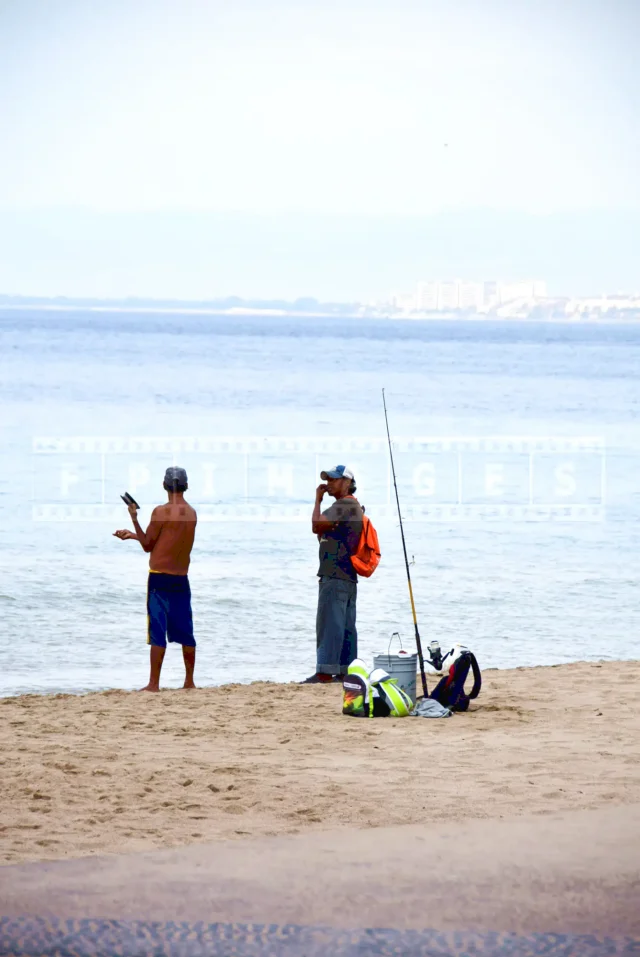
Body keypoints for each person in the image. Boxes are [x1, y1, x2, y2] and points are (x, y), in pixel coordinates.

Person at [113, 466, 198, 692]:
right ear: (186, 486)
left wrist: (134, 519)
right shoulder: (191, 513)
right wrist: (133, 536)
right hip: (181, 579)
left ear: (164, 486)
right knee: (186, 629)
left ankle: (154, 684)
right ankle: (189, 682)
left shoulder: (160, 512)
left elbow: (148, 545)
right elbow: (168, 541)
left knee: (157, 630)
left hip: (159, 579)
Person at [303, 465, 363, 684]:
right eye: (327, 480)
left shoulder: (344, 504)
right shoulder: (353, 506)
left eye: (334, 480)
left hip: (335, 574)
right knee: (345, 625)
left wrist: (317, 500)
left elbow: (316, 525)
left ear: (347, 482)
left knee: (329, 623)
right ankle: (346, 670)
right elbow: (324, 532)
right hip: (347, 574)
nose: (328, 484)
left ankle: (325, 673)